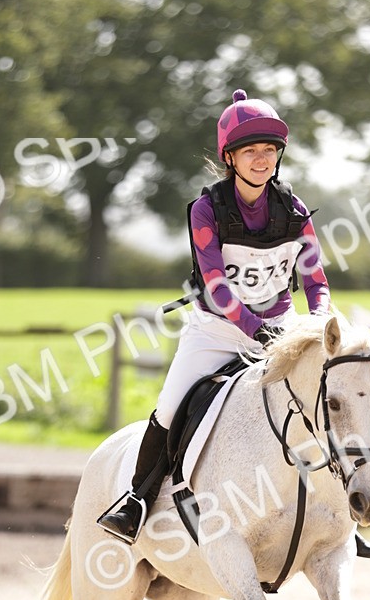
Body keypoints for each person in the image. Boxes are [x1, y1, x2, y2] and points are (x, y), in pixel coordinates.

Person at [98, 88, 331, 544]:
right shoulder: (207, 210)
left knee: (325, 400)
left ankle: (335, 509)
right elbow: (216, 287)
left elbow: (314, 279)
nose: (262, 159)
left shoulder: (294, 209)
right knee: (169, 406)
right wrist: (255, 330)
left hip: (281, 327)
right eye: (251, 151)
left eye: (270, 150)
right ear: (230, 157)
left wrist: (322, 322)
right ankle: (136, 501)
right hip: (217, 330)